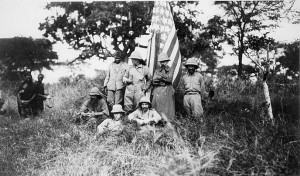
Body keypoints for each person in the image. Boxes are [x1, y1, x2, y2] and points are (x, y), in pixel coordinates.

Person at [151, 52, 175, 121]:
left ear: (167, 62)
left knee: (167, 108)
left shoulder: (170, 70)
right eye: (161, 62)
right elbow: (154, 81)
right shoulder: (157, 70)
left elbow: (169, 80)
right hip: (157, 91)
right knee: (157, 107)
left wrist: (160, 78)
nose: (162, 63)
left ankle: (167, 121)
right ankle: (157, 121)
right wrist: (163, 79)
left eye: (164, 61)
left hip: (167, 91)